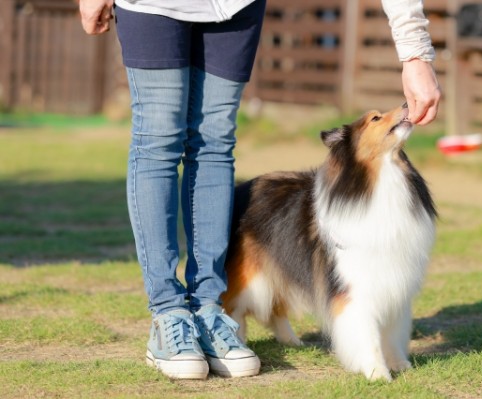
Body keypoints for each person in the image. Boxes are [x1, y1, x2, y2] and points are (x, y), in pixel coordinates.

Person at [79, 0, 441, 380]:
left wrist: (414, 51)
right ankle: (168, 313)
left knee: (215, 143)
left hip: (233, 6)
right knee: (159, 138)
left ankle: (207, 308)